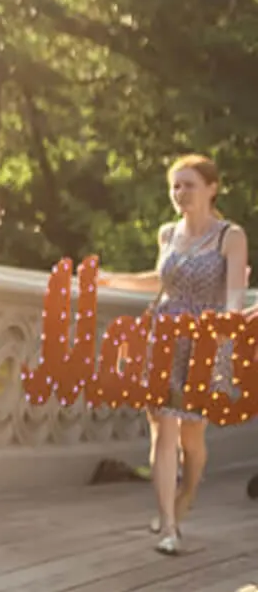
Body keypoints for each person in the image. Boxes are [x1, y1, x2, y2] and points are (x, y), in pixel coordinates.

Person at [98, 155, 248, 554]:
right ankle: (168, 525)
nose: (180, 193)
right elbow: (161, 281)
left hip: (204, 341)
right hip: (162, 336)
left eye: (189, 185)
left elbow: (234, 293)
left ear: (212, 188)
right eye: (175, 186)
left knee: (191, 438)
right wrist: (115, 279)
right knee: (162, 426)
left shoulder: (230, 236)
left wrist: (225, 329)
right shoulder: (167, 233)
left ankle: (187, 495)